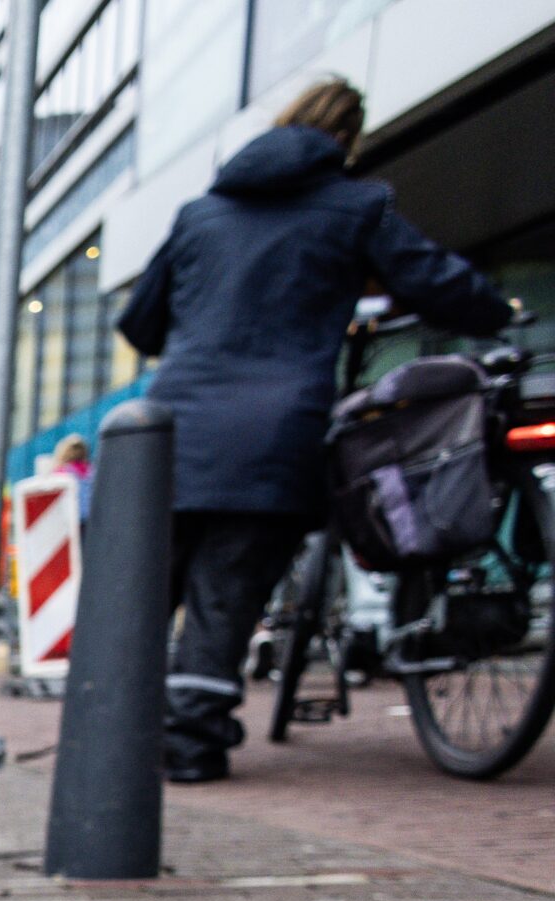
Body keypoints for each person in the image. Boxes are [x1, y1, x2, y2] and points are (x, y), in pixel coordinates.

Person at [117, 76, 510, 782]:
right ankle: (190, 746)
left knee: (146, 592)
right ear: (344, 141)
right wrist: (498, 311)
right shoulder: (356, 206)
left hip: (172, 429)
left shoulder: (201, 213)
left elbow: (139, 322)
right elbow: (434, 282)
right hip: (274, 432)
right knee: (226, 593)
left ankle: (108, 737)